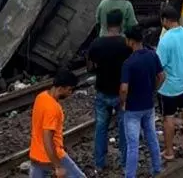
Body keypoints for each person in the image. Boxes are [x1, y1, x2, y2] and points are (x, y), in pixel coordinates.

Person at [87, 9, 132, 173]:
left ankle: (99, 163)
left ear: (106, 23)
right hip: (121, 92)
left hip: (102, 91)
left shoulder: (97, 43)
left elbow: (90, 66)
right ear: (121, 23)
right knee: (123, 128)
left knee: (100, 127)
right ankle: (125, 163)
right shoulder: (126, 44)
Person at [120, 27, 163, 178]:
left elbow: (124, 88)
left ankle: (130, 175)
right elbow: (161, 76)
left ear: (131, 42)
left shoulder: (128, 63)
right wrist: (154, 90)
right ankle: (157, 168)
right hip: (148, 105)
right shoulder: (152, 55)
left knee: (133, 145)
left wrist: (123, 102)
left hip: (132, 108)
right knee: (151, 137)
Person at [28, 69, 86, 178]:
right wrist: (58, 166)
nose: (70, 93)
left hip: (35, 154)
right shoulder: (53, 109)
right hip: (52, 156)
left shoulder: (41, 97)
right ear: (60, 88)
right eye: (69, 90)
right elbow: (47, 138)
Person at [156, 4, 183, 160]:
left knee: (168, 117)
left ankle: (169, 151)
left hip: (169, 87)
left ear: (165, 20)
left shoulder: (165, 40)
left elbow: (159, 65)